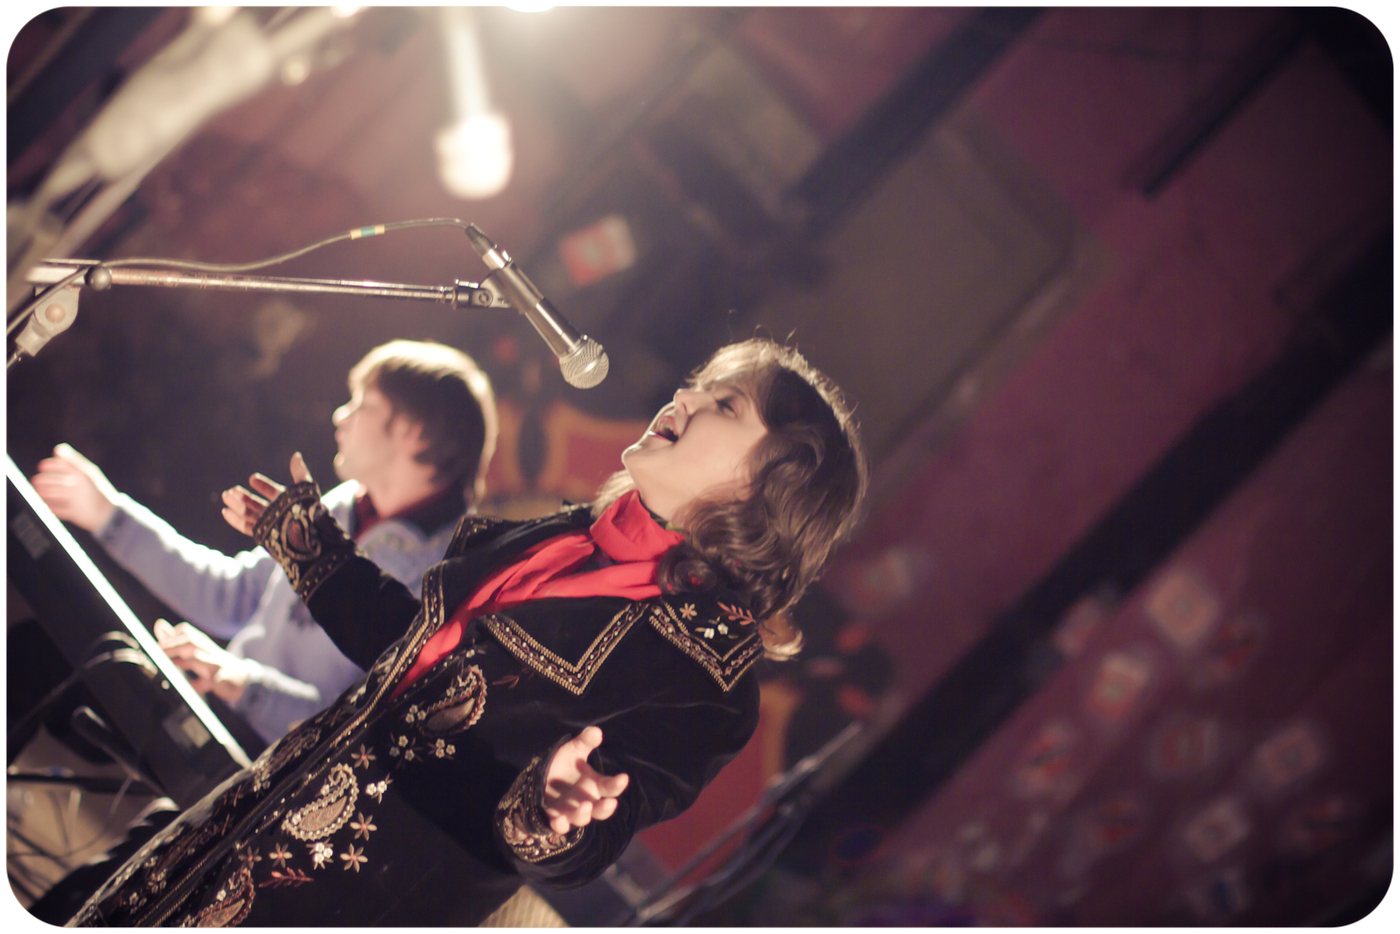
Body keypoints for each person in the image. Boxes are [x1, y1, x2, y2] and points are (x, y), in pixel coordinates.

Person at [70, 338, 867, 927]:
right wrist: (310, 549)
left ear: (773, 487)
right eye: (698, 383)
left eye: (724, 405)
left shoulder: (706, 682)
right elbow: (406, 651)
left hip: (348, 901)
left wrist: (557, 810)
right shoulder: (561, 539)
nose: (685, 397)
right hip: (249, 821)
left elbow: (596, 837)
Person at [24, 339, 497, 748]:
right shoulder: (345, 506)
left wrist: (241, 681)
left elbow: (357, 723)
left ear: (414, 431)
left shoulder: (443, 580)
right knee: (45, 651)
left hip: (269, 769)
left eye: (364, 404)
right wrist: (110, 516)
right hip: (220, 711)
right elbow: (230, 595)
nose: (341, 416)